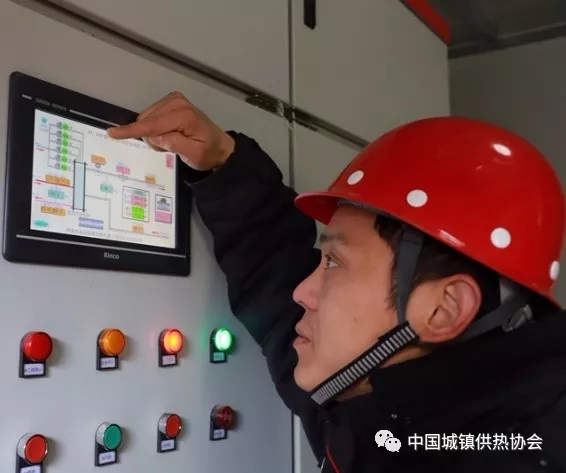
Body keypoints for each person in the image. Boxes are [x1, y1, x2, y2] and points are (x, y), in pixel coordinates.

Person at [107, 92, 566, 472]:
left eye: (333, 262)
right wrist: (224, 165)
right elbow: (277, 283)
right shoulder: (381, 403)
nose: (301, 291)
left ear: (444, 309)